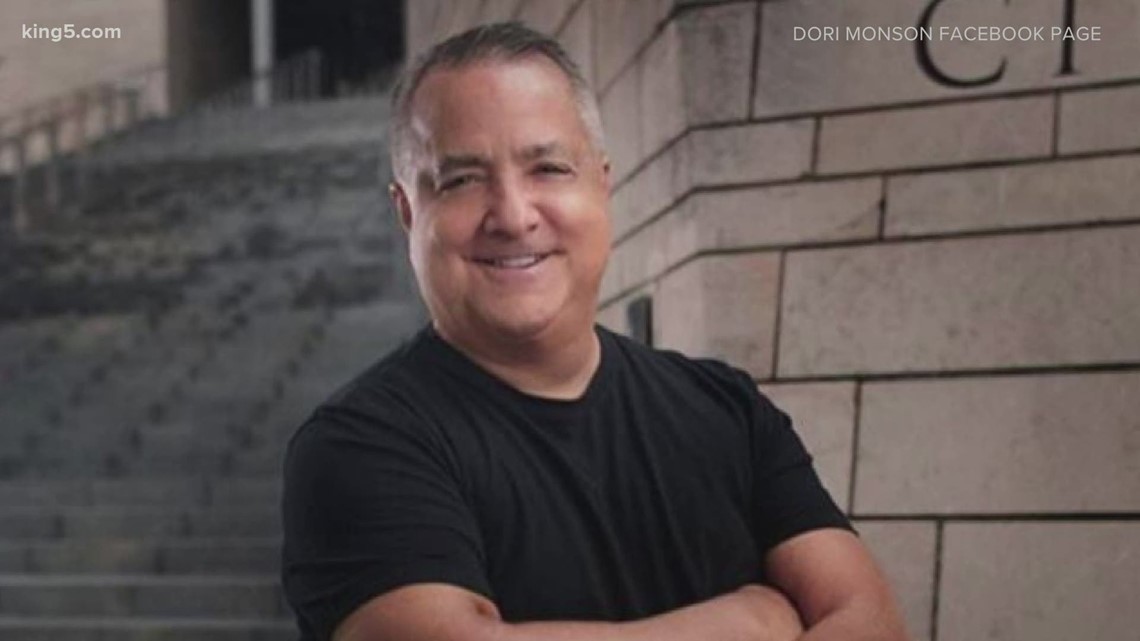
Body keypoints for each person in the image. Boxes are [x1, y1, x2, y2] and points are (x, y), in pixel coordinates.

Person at [282, 21, 908, 641]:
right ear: (407, 212)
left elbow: (873, 622)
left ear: (602, 184)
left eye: (548, 168)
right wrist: (748, 624)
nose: (513, 216)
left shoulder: (730, 409)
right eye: (462, 179)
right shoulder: (357, 447)